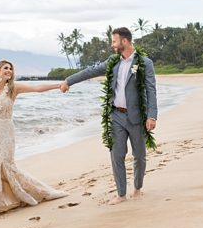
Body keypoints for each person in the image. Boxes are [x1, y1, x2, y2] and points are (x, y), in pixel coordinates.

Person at [60, 27, 157, 205]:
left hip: (137, 117)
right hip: (116, 116)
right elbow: (90, 71)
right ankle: (121, 194)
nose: (112, 45)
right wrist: (68, 81)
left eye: (114, 41)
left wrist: (152, 116)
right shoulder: (113, 62)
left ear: (124, 41)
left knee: (139, 156)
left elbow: (151, 90)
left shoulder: (144, 63)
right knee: (116, 155)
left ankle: (137, 188)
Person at [0, 60, 68, 218]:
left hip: (5, 132)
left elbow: (37, 88)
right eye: (6, 68)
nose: (9, 71)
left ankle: (28, 193)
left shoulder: (14, 88)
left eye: (11, 69)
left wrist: (57, 85)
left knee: (7, 166)